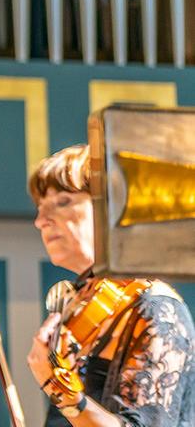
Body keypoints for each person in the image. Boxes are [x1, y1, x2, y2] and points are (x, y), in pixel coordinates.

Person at [25, 144, 195, 425]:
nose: (40, 221)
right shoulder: (83, 303)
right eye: (40, 207)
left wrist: (63, 392)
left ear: (111, 209)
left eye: (63, 201)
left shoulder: (155, 309)